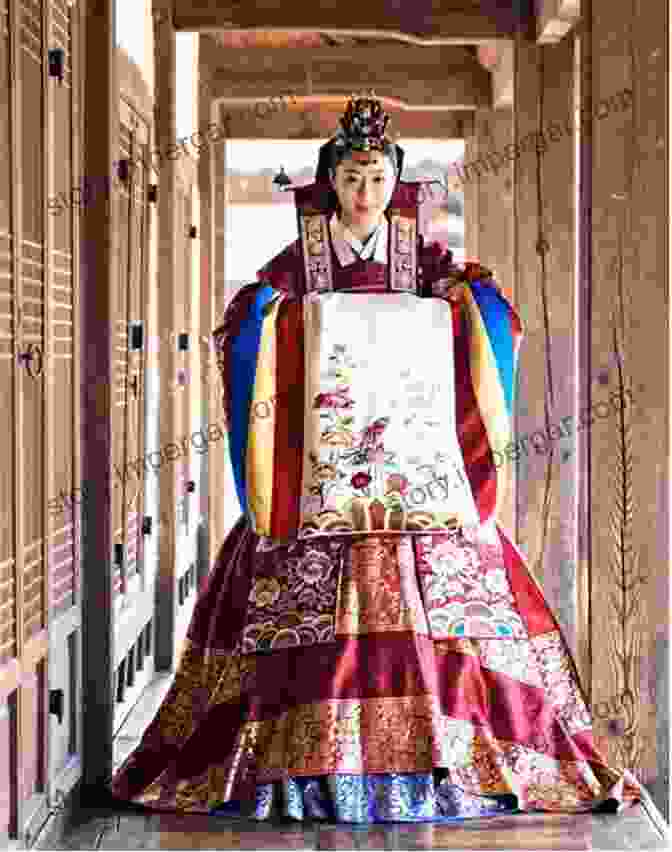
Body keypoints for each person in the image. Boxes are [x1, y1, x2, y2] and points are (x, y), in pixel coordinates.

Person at [110, 97, 641, 823]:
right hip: (317, 476)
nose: (367, 192)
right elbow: (244, 327)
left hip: (413, 469)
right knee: (286, 615)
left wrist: (463, 300)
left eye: (379, 178)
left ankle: (451, 761)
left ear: (396, 182)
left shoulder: (418, 257)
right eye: (354, 177)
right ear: (332, 180)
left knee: (458, 612)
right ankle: (291, 773)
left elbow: (485, 313)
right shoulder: (298, 260)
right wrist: (277, 319)